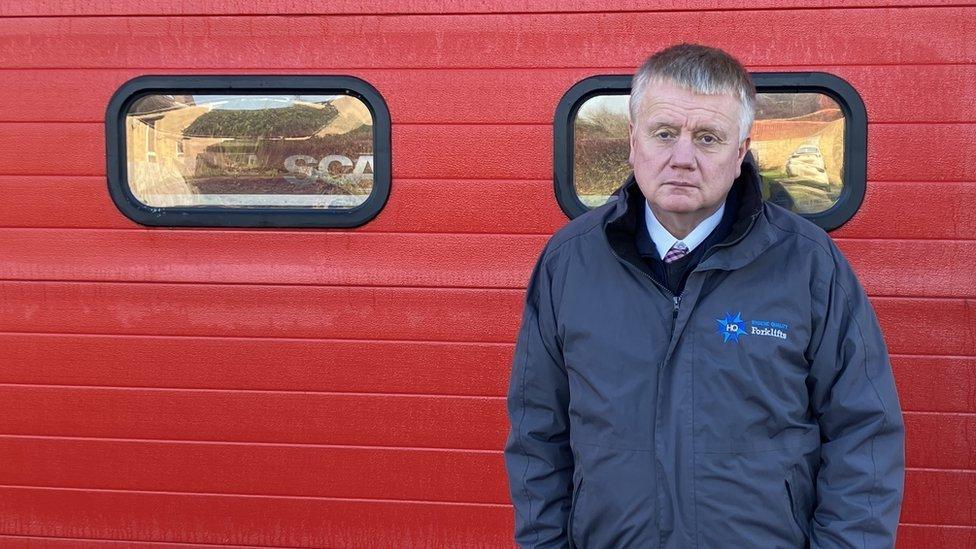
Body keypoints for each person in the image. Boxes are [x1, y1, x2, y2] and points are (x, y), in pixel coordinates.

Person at [504, 44, 904, 548]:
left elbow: (863, 434)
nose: (682, 158)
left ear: (740, 154)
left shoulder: (809, 265)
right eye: (664, 133)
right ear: (633, 141)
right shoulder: (569, 262)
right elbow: (537, 433)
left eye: (708, 138)